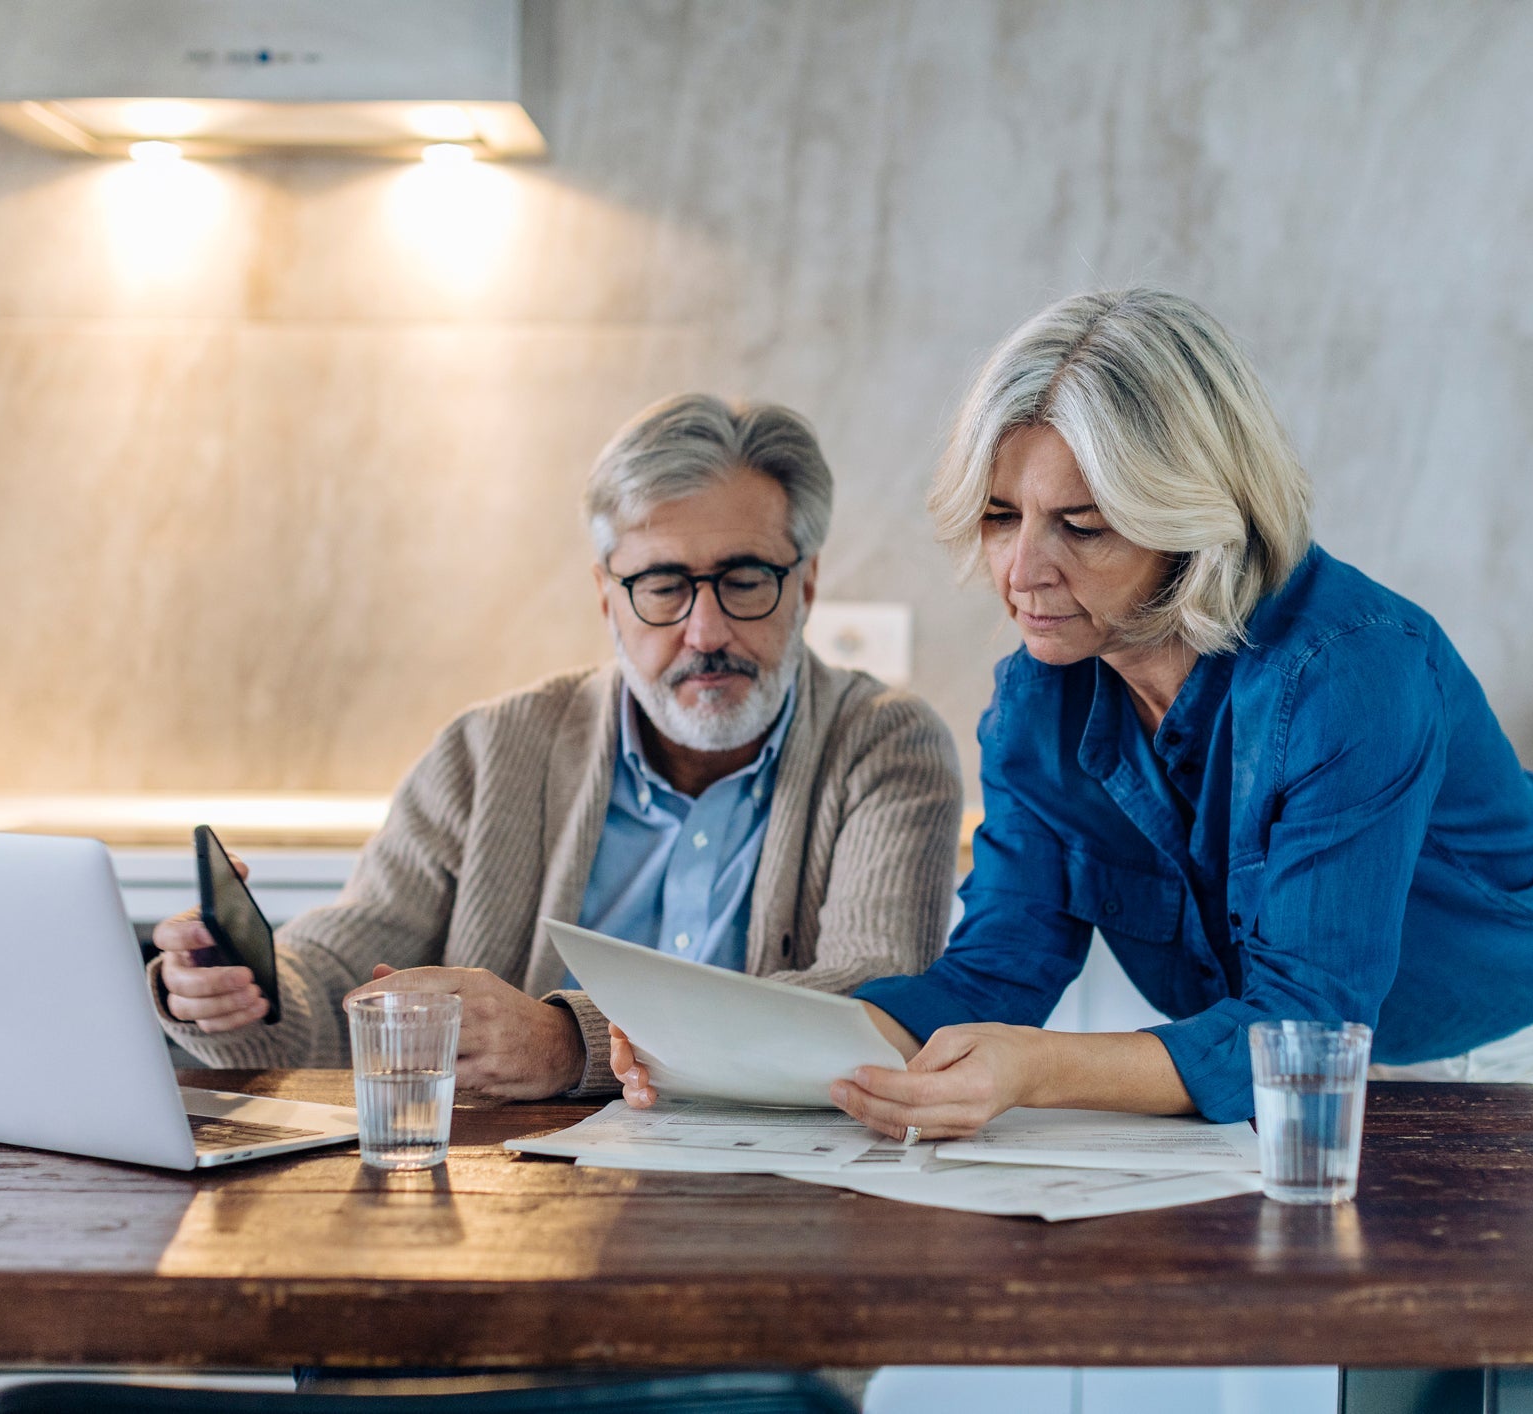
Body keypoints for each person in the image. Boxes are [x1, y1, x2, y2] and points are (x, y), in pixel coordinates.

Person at [619, 290, 1533, 1176]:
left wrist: (1036, 1071)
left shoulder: (1351, 672)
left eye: (1080, 526)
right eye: (1002, 516)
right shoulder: (1040, 698)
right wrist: (743, 1041)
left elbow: (1302, 1022)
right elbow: (995, 973)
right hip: (1330, 1077)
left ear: (1192, 518)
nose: (1021, 569)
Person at [150, 393, 963, 1098]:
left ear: (807, 585)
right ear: (605, 595)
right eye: (662, 586)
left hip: (782, 1198)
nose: (705, 631)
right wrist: (244, 991)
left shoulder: (884, 745)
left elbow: (870, 1003)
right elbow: (340, 975)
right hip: (509, 1203)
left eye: (745, 580)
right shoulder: (488, 750)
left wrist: (570, 1043)